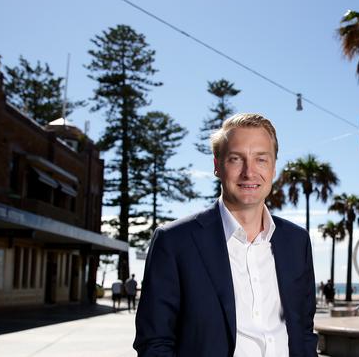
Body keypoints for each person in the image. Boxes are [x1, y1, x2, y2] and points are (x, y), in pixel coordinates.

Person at [134, 114, 317, 357]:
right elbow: (154, 342)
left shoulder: (297, 242)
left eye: (261, 159)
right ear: (217, 165)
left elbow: (303, 331)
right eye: (235, 159)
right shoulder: (175, 242)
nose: (249, 172)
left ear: (273, 168)